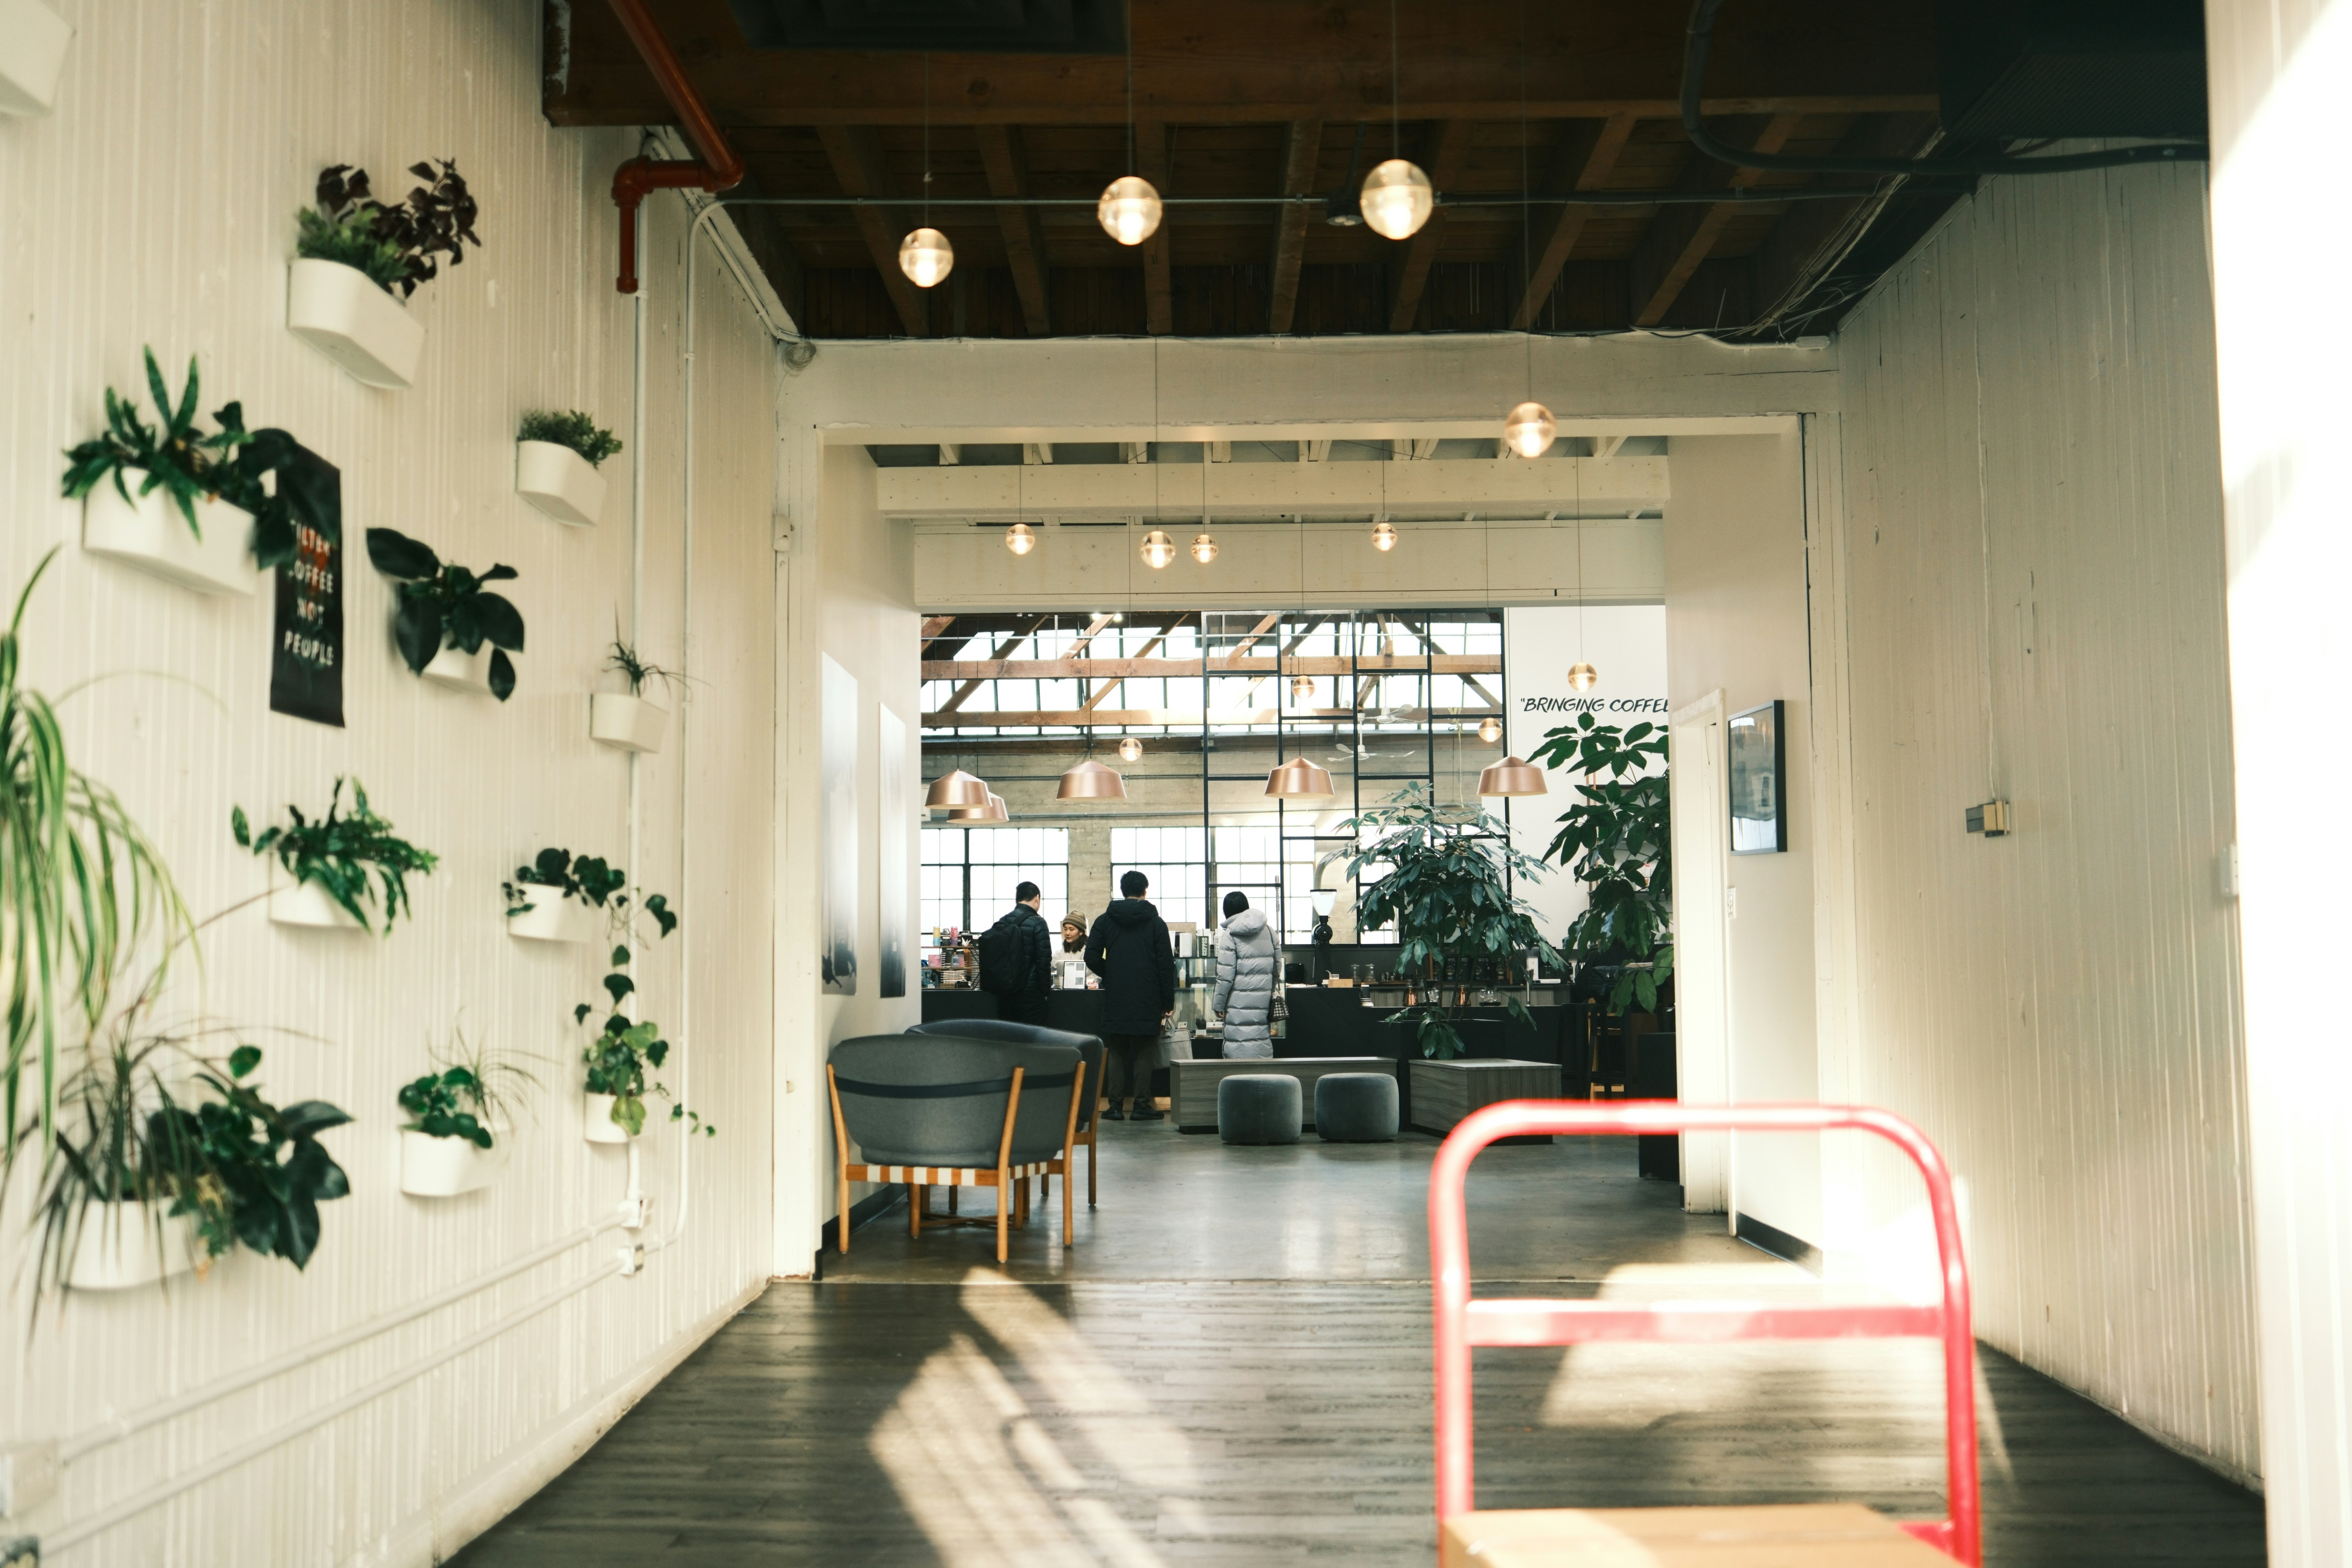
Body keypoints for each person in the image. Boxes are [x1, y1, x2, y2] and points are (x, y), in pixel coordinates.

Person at [1085, 870, 1176, 1121]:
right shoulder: (1156, 923)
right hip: (1148, 996)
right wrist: (1168, 1002)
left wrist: (1111, 974)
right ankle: (1141, 1106)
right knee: (1145, 1051)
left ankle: (1114, 1108)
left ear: (1122, 891)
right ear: (1145, 891)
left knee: (1117, 1050)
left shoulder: (1105, 920)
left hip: (1117, 995)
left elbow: (1091, 956)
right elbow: (1166, 966)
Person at [1211, 890, 1279, 1059]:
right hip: (1262, 1000)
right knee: (1259, 1038)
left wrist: (1218, 1005)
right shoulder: (1270, 932)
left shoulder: (1230, 934)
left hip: (1237, 1003)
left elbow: (1225, 976)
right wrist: (1266, 992)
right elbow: (1277, 970)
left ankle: (1238, 1083)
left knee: (1239, 1044)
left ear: (1227, 911)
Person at [980, 881, 1054, 1026]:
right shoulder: (1038, 923)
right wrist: (1045, 992)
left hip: (1005, 993)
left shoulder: (1003, 922)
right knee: (1032, 1041)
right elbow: (1044, 962)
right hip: (1030, 995)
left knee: (1010, 1040)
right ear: (1037, 898)